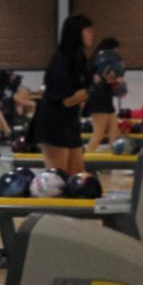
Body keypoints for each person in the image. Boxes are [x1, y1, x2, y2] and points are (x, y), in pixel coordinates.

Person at [32, 14, 94, 176]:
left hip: (70, 122)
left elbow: (84, 91)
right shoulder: (60, 60)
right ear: (76, 33)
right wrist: (91, 89)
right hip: (53, 122)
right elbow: (67, 100)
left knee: (77, 177)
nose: (92, 34)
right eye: (87, 30)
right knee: (57, 180)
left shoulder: (80, 58)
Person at [84, 37, 122, 153]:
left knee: (114, 134)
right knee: (99, 134)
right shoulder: (96, 62)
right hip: (98, 101)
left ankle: (112, 164)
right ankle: (85, 161)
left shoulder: (107, 65)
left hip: (106, 100)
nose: (117, 53)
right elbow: (89, 80)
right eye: (115, 50)